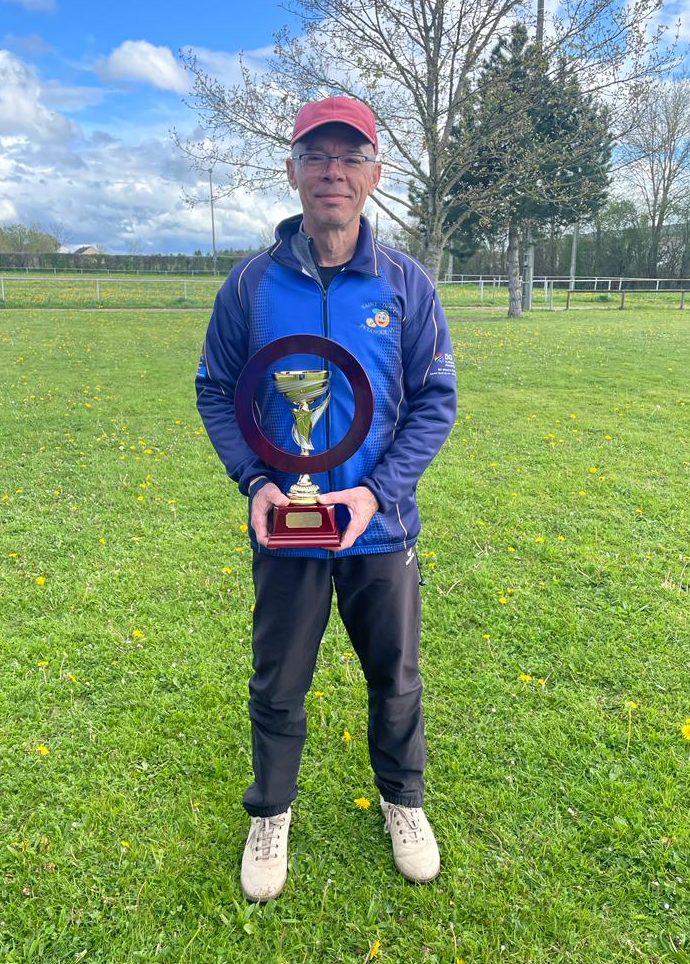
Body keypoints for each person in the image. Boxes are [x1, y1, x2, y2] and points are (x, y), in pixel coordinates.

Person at [196, 95, 457, 901]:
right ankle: (270, 814)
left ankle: (403, 803)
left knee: (396, 680)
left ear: (375, 174)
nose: (333, 171)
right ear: (293, 171)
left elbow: (435, 400)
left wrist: (377, 494)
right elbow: (215, 389)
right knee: (277, 684)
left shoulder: (406, 283)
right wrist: (256, 481)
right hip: (289, 528)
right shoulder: (250, 284)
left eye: (350, 157)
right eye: (317, 155)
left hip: (380, 530)